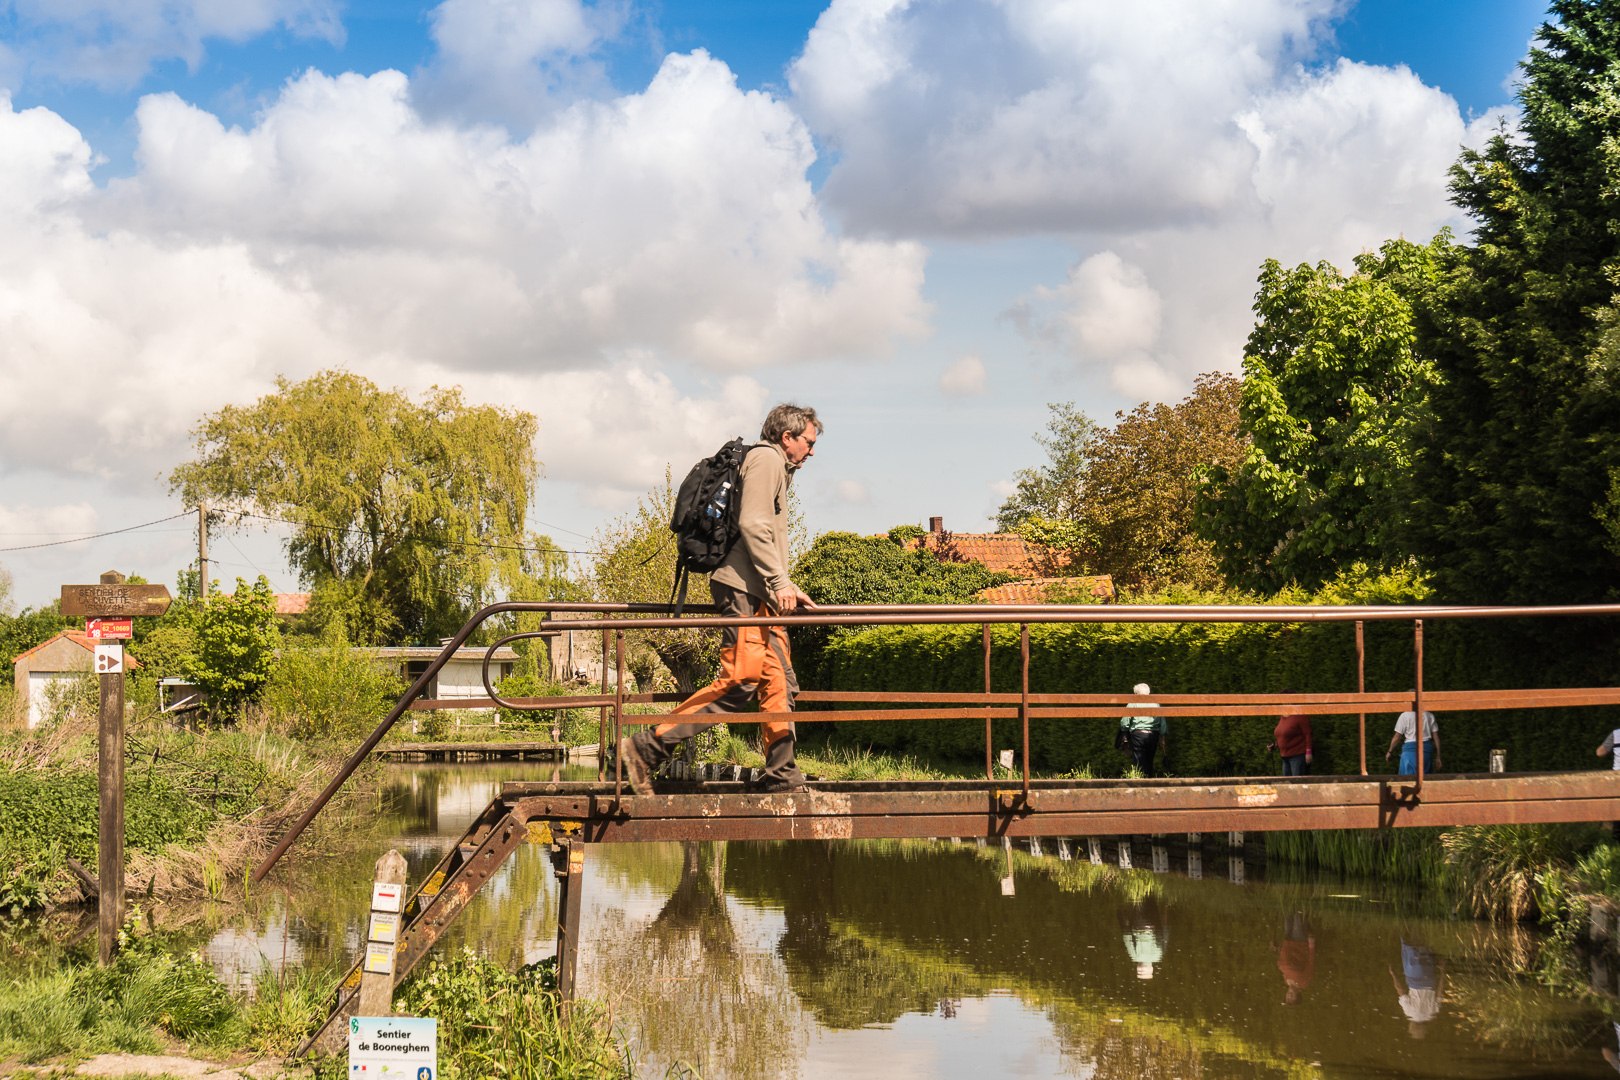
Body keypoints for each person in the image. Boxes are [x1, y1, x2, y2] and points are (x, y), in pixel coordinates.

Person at [619, 403, 823, 795]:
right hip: (745, 590)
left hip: (761, 591)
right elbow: (753, 523)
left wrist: (786, 584)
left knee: (779, 681)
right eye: (808, 442)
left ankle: (781, 772)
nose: (811, 451)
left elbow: (767, 533)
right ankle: (645, 748)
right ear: (787, 437)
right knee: (739, 682)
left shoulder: (776, 466)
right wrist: (779, 581)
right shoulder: (766, 459)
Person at [1389, 938, 1445, 1039]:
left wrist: (1442, 973)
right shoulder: (1408, 1012)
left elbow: (1440, 992)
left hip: (1430, 979)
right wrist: (1393, 974)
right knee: (1406, 952)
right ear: (1412, 1026)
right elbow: (1400, 990)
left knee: (1428, 951)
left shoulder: (1432, 1013)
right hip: (1413, 978)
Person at [1119, 683, 1167, 777]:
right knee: (1150, 760)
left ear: (1136, 694)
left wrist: (1124, 732)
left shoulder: (1133, 703)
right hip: (1153, 735)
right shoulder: (1156, 704)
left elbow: (1125, 721)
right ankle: (1149, 779)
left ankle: (1141, 780)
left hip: (1138, 735)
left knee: (1139, 761)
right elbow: (1163, 722)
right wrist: (1162, 736)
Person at [1385, 701, 1442, 776]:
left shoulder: (1404, 716)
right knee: (1425, 779)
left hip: (1409, 752)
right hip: (1426, 751)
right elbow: (1436, 737)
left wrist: (1390, 751)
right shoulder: (1429, 715)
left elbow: (1397, 737)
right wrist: (1438, 756)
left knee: (1407, 780)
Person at [1271, 699, 1313, 776]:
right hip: (1285, 757)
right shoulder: (1283, 717)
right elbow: (1283, 735)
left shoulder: (1300, 716)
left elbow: (1307, 734)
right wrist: (1275, 745)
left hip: (1297, 756)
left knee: (1297, 783)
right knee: (1287, 783)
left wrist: (1308, 752)